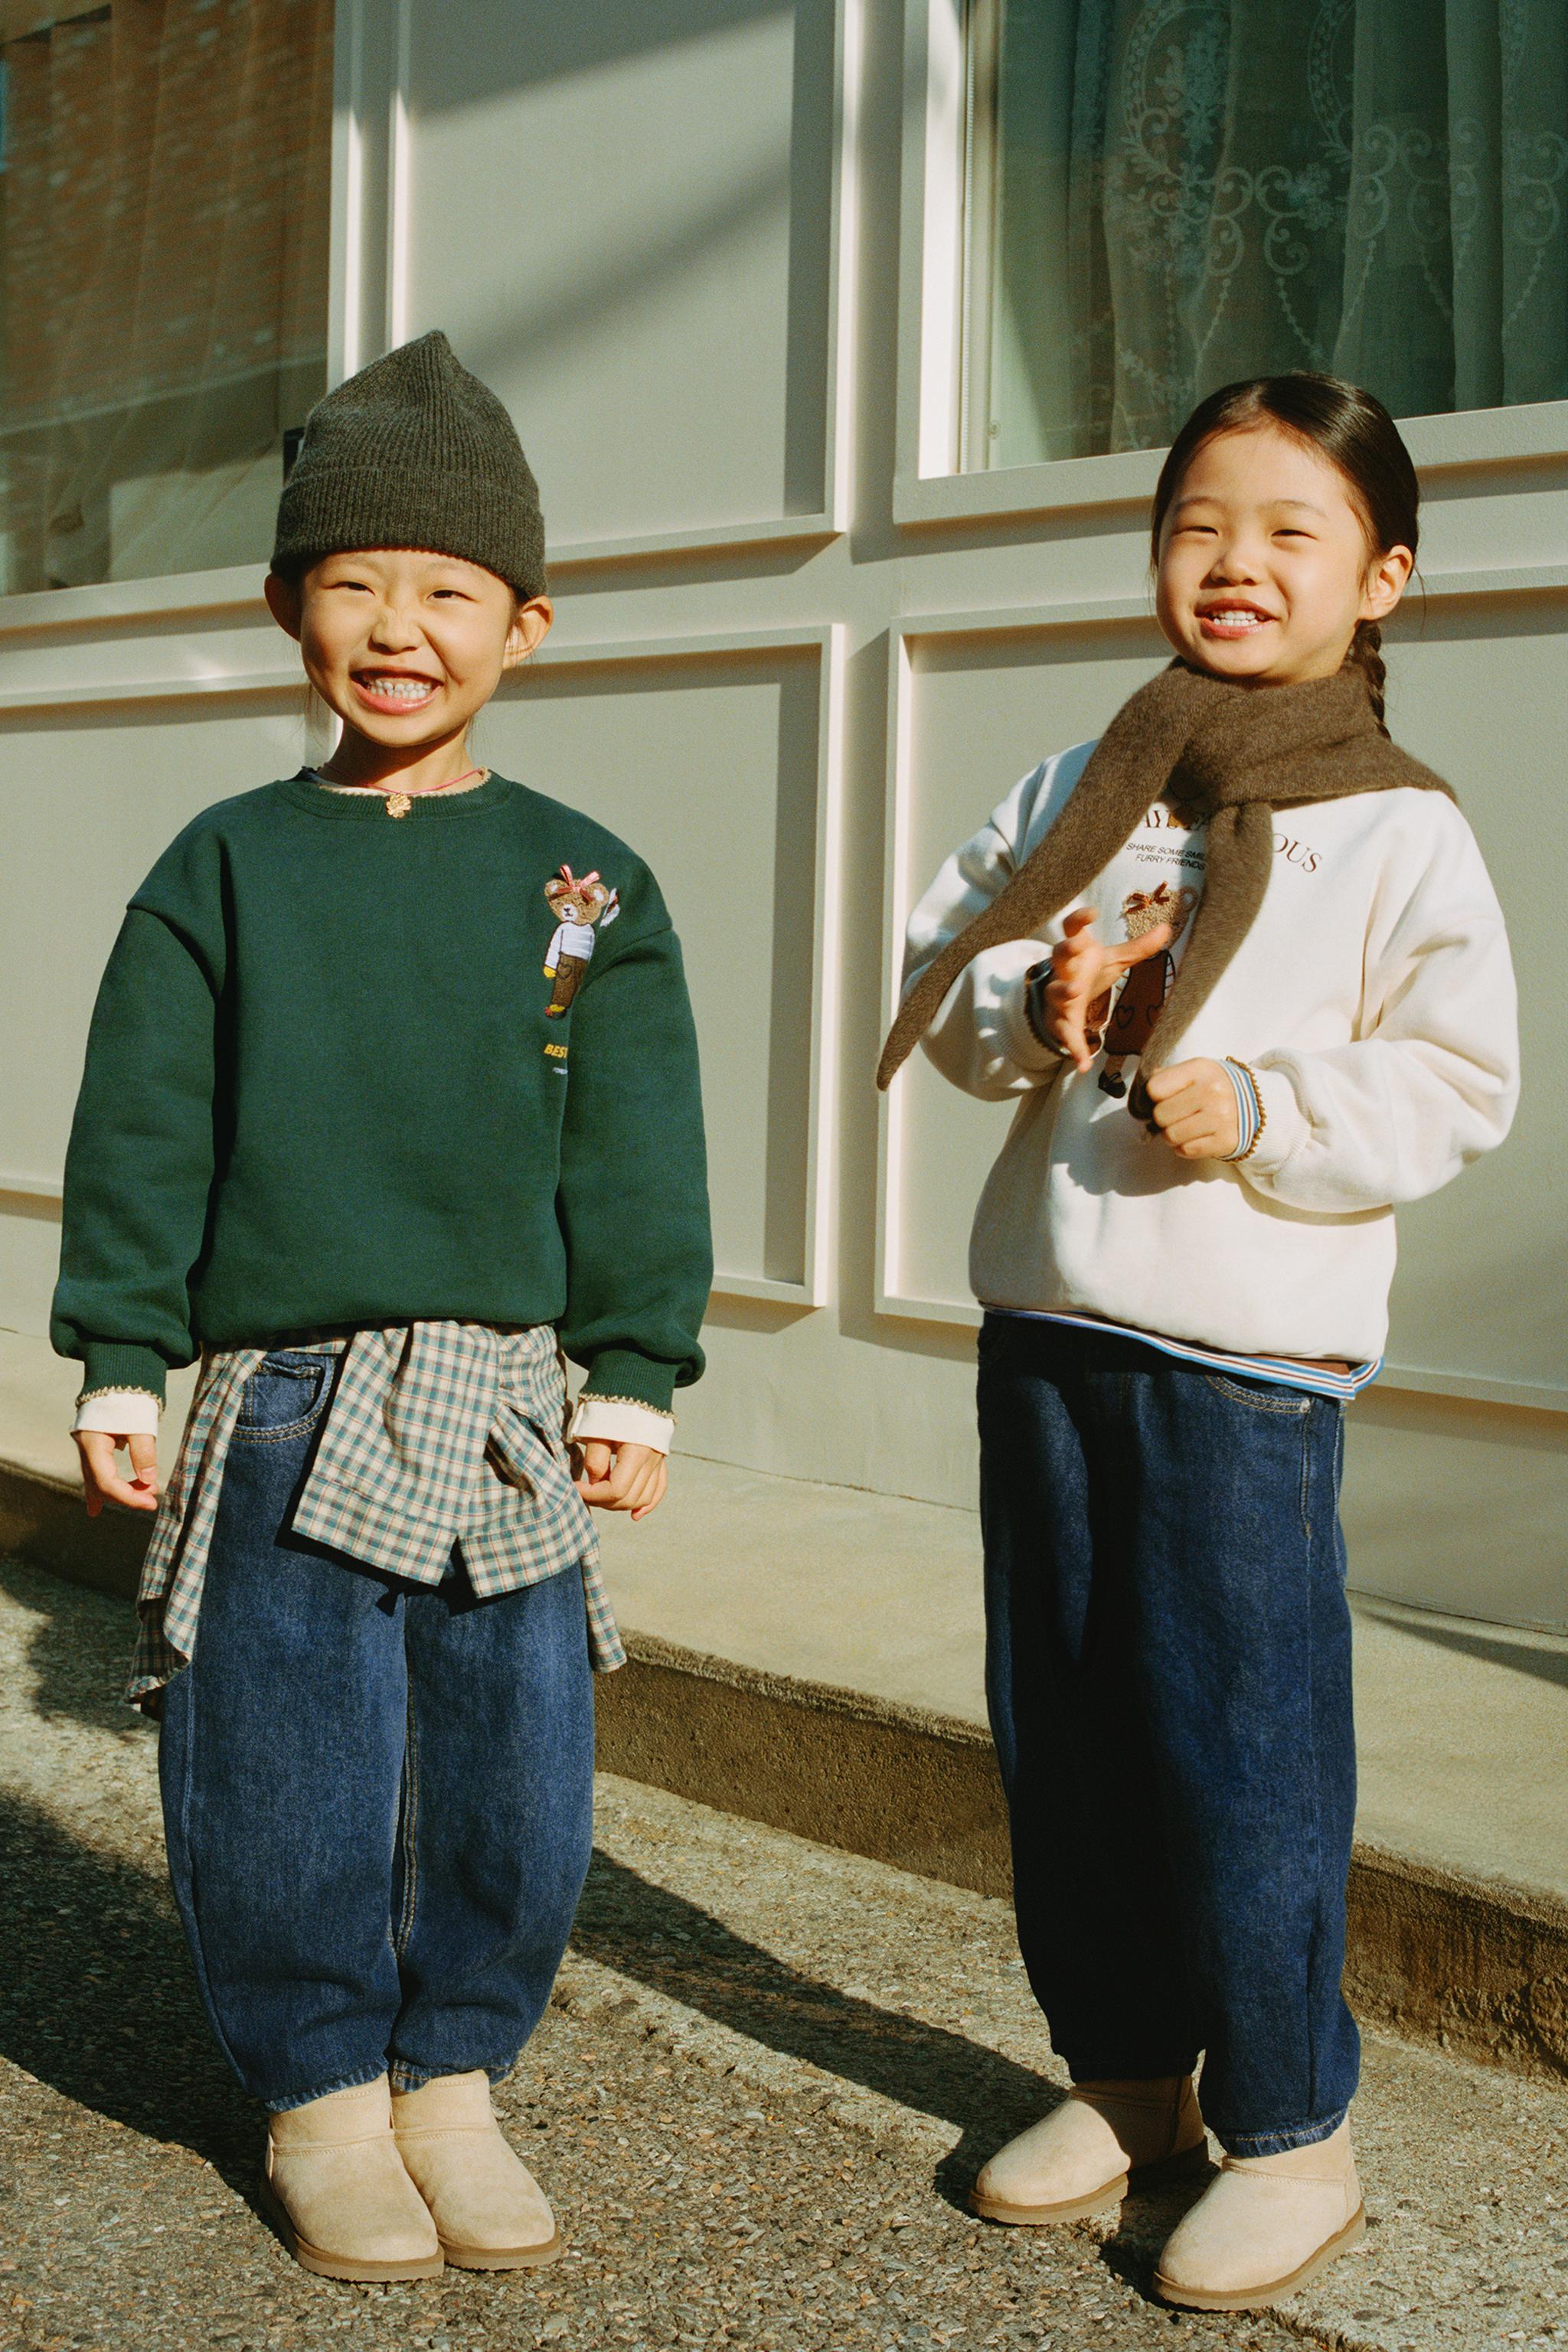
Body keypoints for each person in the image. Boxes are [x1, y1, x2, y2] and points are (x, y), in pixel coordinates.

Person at [52, 332, 711, 2285]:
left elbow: (640, 1152)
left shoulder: (584, 885)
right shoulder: (227, 867)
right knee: (283, 1747)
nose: (400, 627)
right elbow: (145, 1125)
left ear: (526, 621)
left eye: (447, 590)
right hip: (279, 1397)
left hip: (509, 1393)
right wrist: (119, 1347)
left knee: (514, 1757)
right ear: (285, 609)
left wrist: (638, 1370)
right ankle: (324, 2089)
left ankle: (455, 2078)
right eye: (355, 584)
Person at [878, 374, 1517, 2312]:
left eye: (1289, 532)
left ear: (1384, 578)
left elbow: (1457, 1081)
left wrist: (1264, 1107)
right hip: (1050, 1323)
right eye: (1195, 525)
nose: (1233, 564)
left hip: (1243, 1367)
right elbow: (954, 969)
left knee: (1239, 1747)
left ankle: (1291, 2125)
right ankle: (1129, 2077)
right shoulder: (1095, 778)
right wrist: (1040, 999)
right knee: (1065, 1724)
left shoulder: (1396, 832)